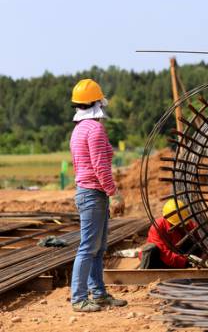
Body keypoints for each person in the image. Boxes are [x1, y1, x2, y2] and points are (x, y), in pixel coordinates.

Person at [69, 79, 127, 312]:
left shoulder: (78, 130)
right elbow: (100, 166)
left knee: (98, 247)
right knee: (88, 247)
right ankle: (79, 297)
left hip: (89, 192)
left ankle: (99, 293)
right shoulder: (95, 129)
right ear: (97, 103)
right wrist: (114, 193)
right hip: (94, 193)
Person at [139, 199, 204, 269]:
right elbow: (165, 254)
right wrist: (186, 262)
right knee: (150, 249)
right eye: (177, 224)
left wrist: (202, 258)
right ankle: (144, 275)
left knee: (195, 243)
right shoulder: (157, 227)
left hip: (177, 256)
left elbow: (199, 241)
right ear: (167, 219)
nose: (180, 226)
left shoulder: (187, 223)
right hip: (160, 260)